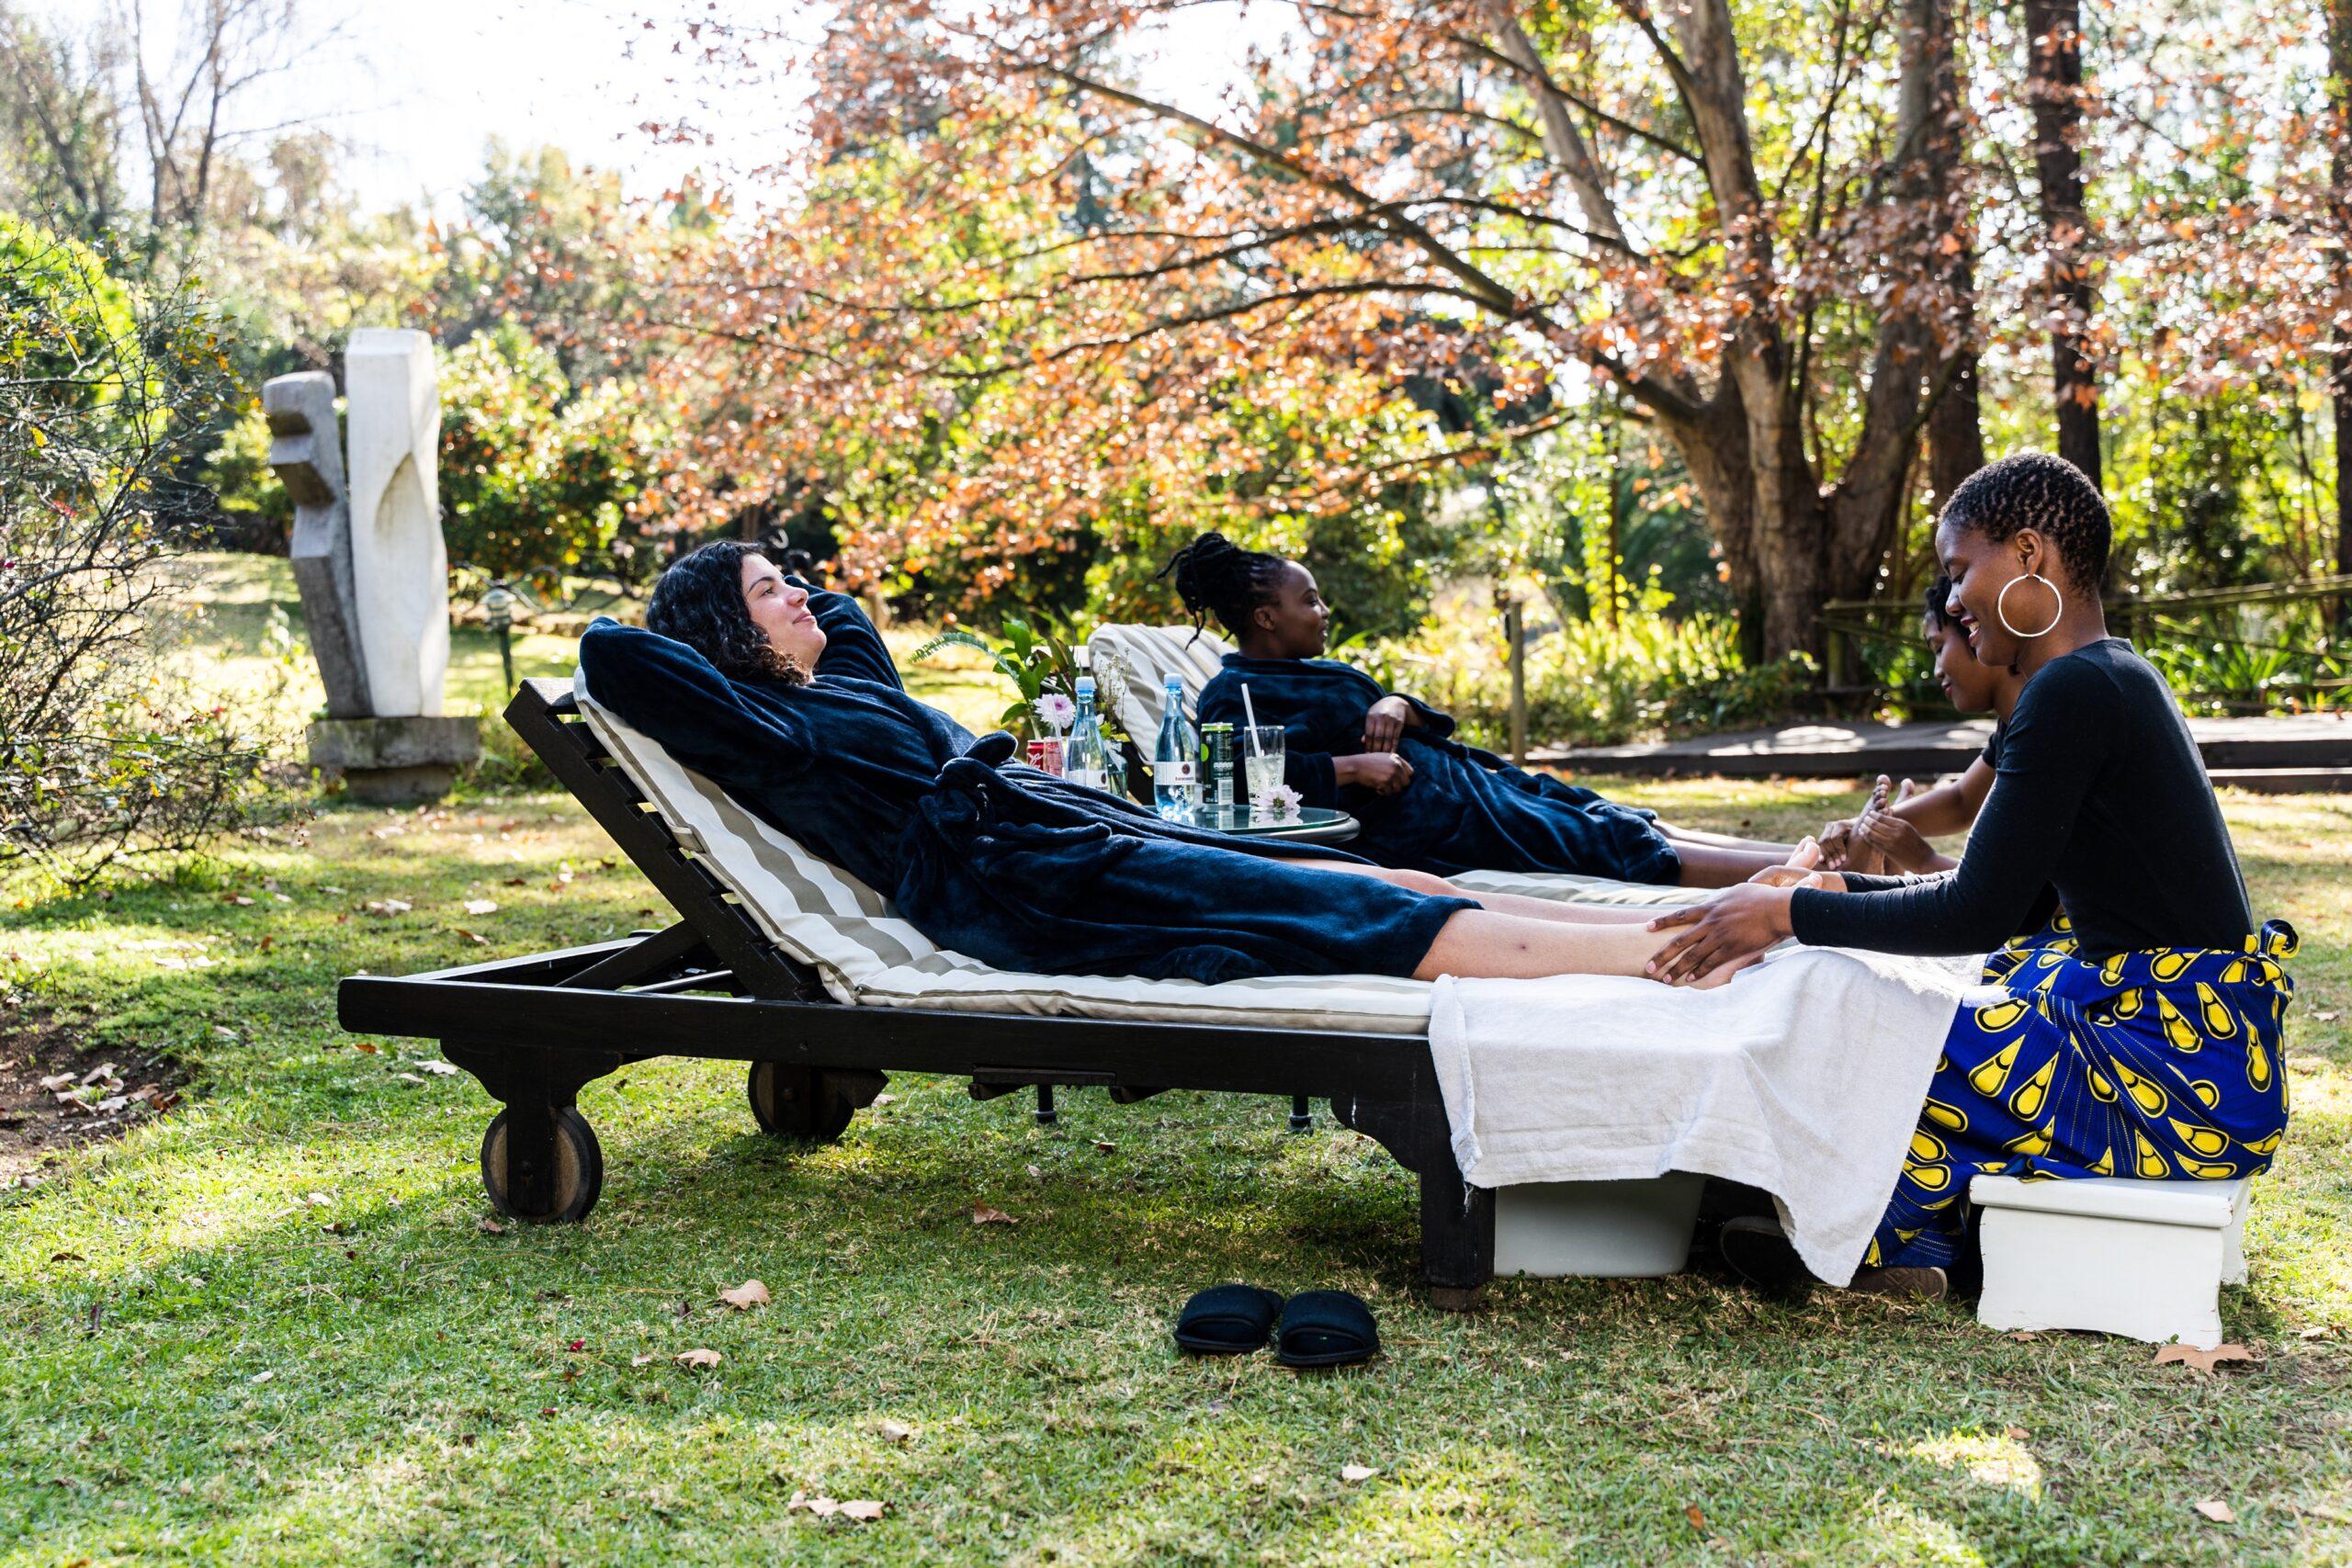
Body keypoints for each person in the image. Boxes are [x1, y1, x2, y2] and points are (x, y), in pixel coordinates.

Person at [1645, 454, 2296, 1298]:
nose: (1953, 600)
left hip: (2177, 1078)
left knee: (1873, 1007)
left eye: (1959, 571)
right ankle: (1905, 1236)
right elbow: (2018, 907)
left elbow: (1975, 911)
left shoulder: (2074, 691)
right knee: (1945, 988)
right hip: (2199, 1061)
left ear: (2029, 554)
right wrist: (1831, 893)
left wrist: (1787, 915)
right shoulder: (2100, 677)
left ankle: (1878, 1229)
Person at [578, 542, 1737, 993]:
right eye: (768, 591)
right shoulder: (767, 727)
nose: (800, 593)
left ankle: (1688, 921)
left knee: (1386, 880)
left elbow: (839, 612)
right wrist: (710, 610)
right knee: (1343, 910)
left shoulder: (844, 687)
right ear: (725, 637)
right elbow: (617, 655)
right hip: (1014, 878)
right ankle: (1667, 957)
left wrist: (772, 590)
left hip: (1053, 825)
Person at [1169, 534, 1795, 888]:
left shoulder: (1312, 670)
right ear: (1266, 616)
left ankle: (1805, 854)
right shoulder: (1233, 693)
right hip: (1435, 825)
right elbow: (1238, 786)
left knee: (1609, 814)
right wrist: (1353, 769)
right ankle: (1807, 877)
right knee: (1607, 841)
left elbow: (1425, 723)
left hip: (1475, 785)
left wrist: (1395, 703)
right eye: (1309, 600)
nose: (1324, 611)